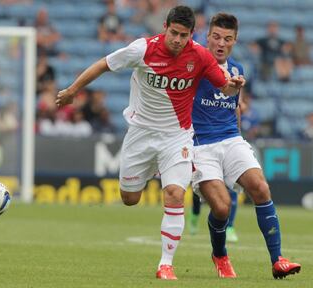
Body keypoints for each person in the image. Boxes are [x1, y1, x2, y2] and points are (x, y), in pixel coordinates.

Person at [56, 6, 244, 280]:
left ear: (192, 35)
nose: (178, 40)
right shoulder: (142, 49)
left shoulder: (200, 56)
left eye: (184, 35)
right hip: (141, 134)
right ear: (165, 27)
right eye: (174, 33)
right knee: (129, 199)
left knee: (175, 194)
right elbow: (102, 64)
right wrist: (73, 91)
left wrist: (234, 86)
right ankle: (154, 174)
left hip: (176, 136)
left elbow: (223, 87)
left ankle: (165, 265)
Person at [191, 12, 301, 279]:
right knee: (221, 208)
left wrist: (238, 142)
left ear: (235, 41)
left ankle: (278, 260)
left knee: (261, 187)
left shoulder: (238, 69)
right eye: (216, 37)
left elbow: (234, 107)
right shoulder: (192, 64)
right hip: (200, 145)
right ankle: (220, 254)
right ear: (207, 37)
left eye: (227, 39)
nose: (221, 43)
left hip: (231, 139)